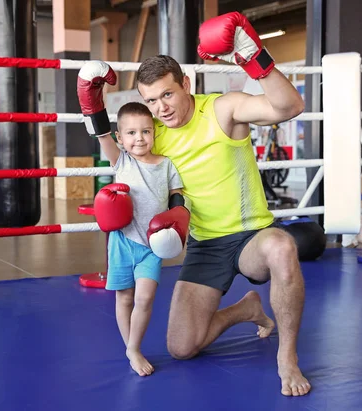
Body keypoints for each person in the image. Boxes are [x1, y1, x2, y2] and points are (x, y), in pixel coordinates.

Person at [134, 12, 309, 397]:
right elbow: (117, 155)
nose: (161, 107)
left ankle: (287, 357)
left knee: (282, 247)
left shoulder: (223, 108)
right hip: (204, 245)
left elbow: (290, 106)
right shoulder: (154, 136)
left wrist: (253, 55)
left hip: (250, 237)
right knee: (181, 348)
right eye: (150, 101)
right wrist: (92, 108)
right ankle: (245, 309)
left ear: (185, 83)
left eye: (167, 94)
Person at [77, 71, 189, 378]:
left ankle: (133, 347)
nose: (139, 138)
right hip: (123, 242)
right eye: (131, 133)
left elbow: (177, 195)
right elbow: (100, 134)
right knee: (124, 297)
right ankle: (132, 349)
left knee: (145, 297)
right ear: (120, 138)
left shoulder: (166, 164)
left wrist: (177, 217)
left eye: (145, 132)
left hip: (152, 246)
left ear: (154, 133)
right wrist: (91, 97)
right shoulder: (121, 161)